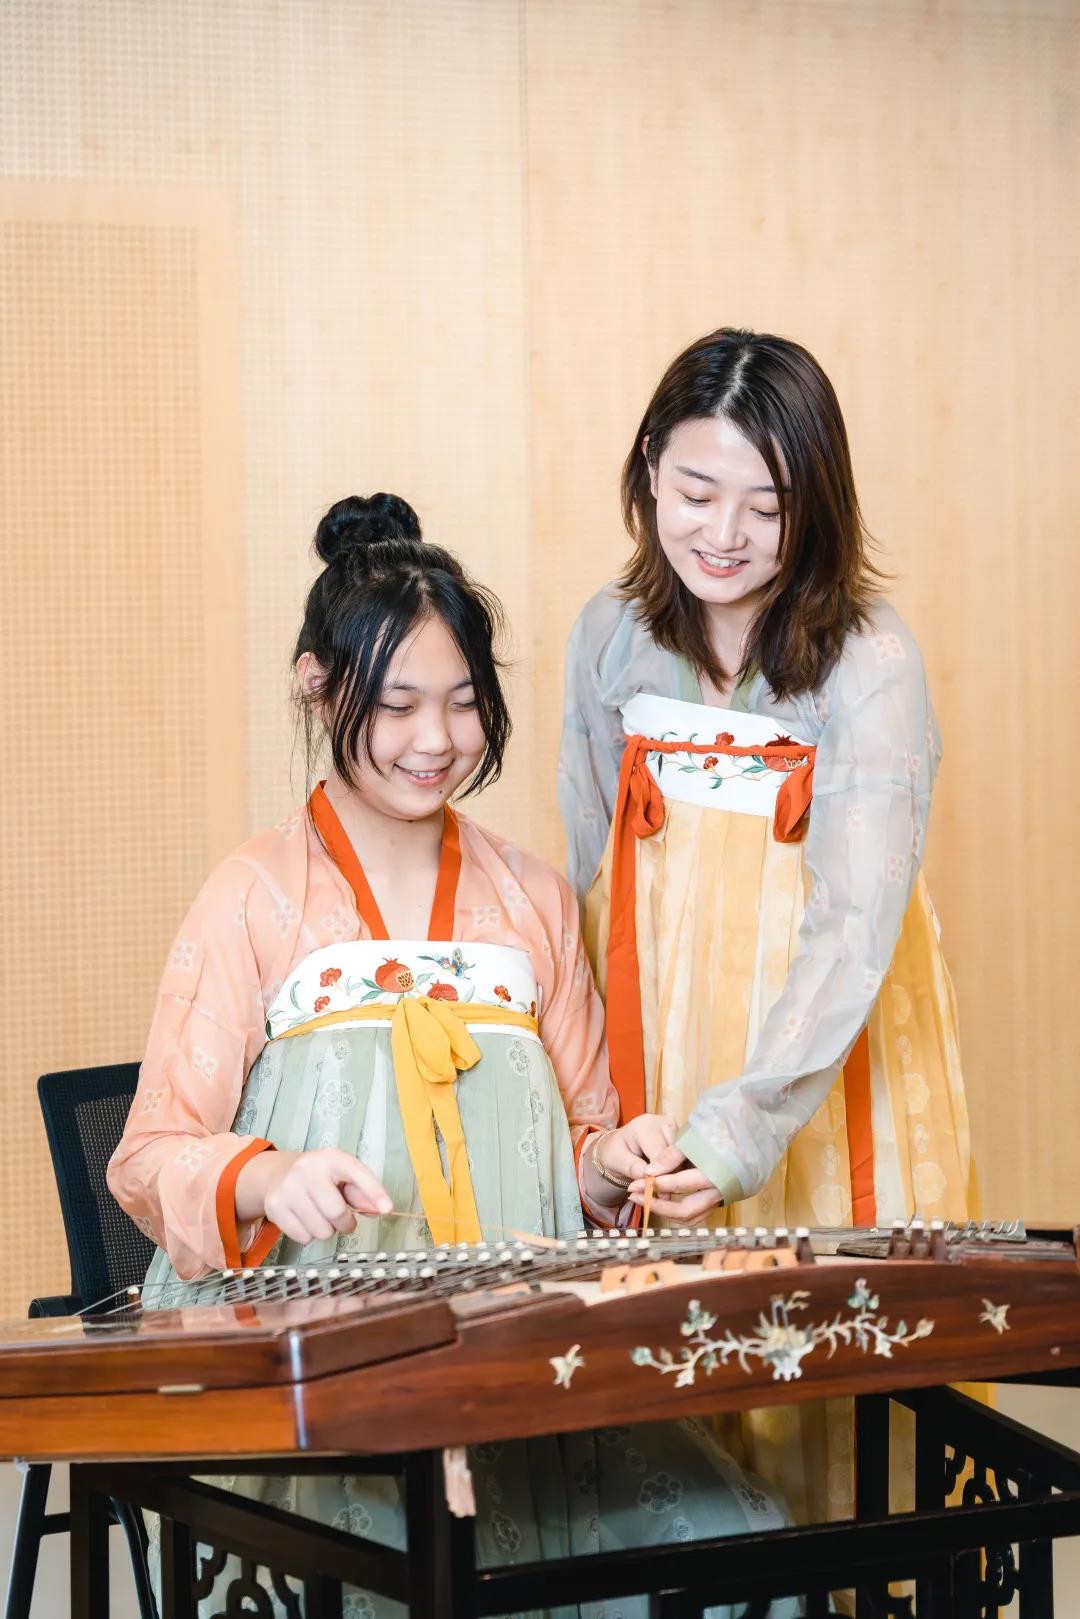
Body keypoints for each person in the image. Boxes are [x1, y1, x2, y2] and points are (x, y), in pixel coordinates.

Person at [109, 493, 796, 1618]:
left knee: (746, 1552)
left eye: (465, 701)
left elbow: (582, 1140)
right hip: (328, 1386)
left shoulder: (530, 896)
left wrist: (611, 1160)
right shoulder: (253, 894)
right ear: (317, 685)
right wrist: (267, 1176)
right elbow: (149, 1154)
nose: (437, 740)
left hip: (524, 1372)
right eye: (398, 704)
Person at [559, 328, 975, 1524]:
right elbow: (591, 872)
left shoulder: (870, 660)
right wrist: (601, 1109)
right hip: (660, 1047)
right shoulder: (610, 632)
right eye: (697, 491)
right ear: (649, 468)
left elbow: (855, 926)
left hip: (819, 1061)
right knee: (669, 1385)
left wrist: (741, 1128)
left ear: (818, 504)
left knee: (831, 1383)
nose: (725, 533)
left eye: (768, 504)